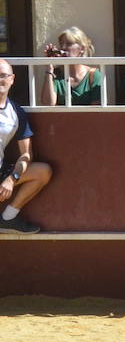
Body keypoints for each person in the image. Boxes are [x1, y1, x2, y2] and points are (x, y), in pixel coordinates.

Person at [0, 58, 54, 233]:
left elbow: (26, 155)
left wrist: (11, 179)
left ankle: (8, 218)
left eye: (3, 75)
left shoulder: (16, 112)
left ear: (12, 79)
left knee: (42, 171)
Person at [38, 26, 104, 107]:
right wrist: (49, 67)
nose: (63, 47)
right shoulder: (56, 74)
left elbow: (96, 112)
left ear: (82, 49)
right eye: (61, 44)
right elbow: (48, 103)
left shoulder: (94, 75)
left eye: (69, 44)